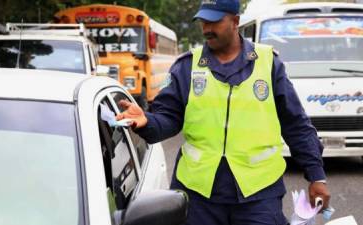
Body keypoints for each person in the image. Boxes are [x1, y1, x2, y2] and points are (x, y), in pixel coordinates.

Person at [116, 0, 331, 224]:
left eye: (214, 21)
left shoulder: (268, 64)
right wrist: (147, 121)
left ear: (235, 21)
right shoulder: (187, 66)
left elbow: (295, 124)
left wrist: (317, 176)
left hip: (259, 195)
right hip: (199, 194)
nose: (206, 29)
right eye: (203, 22)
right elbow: (167, 117)